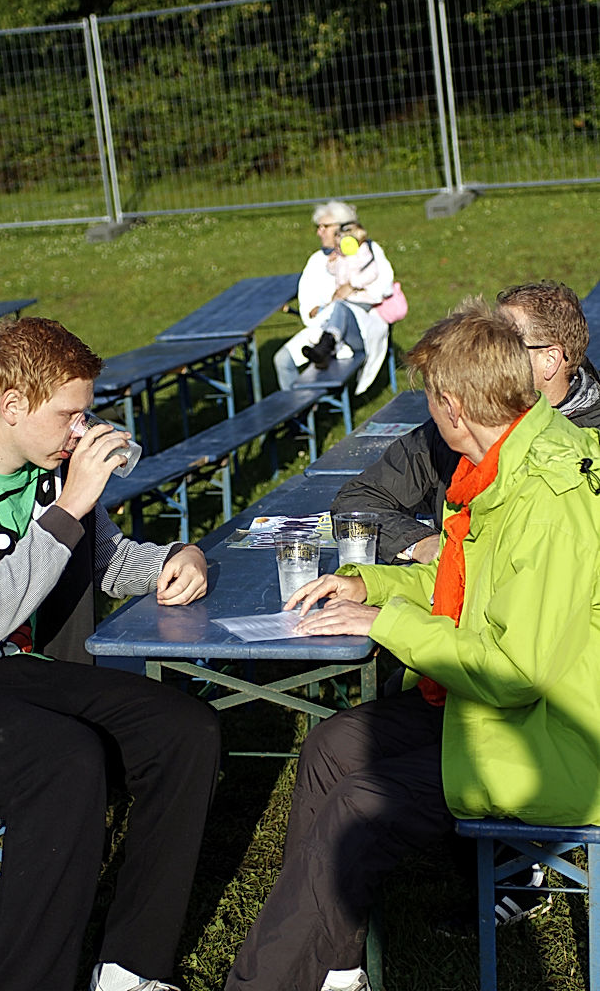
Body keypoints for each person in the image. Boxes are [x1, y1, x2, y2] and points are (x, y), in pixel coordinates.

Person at [224, 299, 600, 991]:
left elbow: (517, 674)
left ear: (454, 407)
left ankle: (261, 983)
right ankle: (335, 970)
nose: (428, 415)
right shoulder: (502, 465)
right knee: (330, 749)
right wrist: (366, 585)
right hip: (503, 715)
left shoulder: (545, 498)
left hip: (556, 742)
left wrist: (383, 625)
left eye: (429, 401)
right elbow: (470, 584)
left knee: (359, 801)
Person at [0, 316, 221, 991]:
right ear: (14, 405)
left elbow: (103, 560)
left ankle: (132, 969)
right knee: (67, 763)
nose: (81, 430)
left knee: (186, 729)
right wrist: (74, 501)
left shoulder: (46, 468)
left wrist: (179, 555)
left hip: (18, 675)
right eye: (70, 414)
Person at [332, 280, 600, 565]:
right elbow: (357, 501)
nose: (487, 351)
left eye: (507, 341)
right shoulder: (464, 423)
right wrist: (420, 544)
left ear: (551, 360)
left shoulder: (584, 448)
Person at [273, 202, 394, 395]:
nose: (319, 232)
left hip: (360, 324)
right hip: (321, 325)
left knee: (342, 310)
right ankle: (298, 412)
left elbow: (384, 286)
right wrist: (316, 310)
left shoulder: (368, 249)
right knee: (282, 360)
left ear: (343, 227)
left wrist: (351, 288)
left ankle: (326, 349)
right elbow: (308, 303)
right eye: (318, 227)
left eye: (325, 227)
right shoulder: (317, 261)